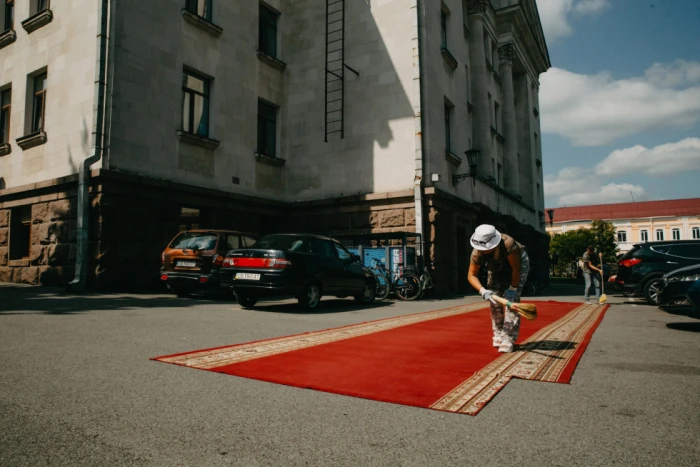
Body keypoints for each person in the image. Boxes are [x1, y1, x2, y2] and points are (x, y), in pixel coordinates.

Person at [467, 224, 530, 353]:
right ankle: (498, 332)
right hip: (495, 267)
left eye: (486, 249)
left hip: (517, 265)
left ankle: (508, 338)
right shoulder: (476, 252)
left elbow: (516, 268)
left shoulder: (508, 244)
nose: (483, 251)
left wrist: (513, 288)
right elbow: (471, 275)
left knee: (511, 303)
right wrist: (483, 291)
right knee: (494, 299)